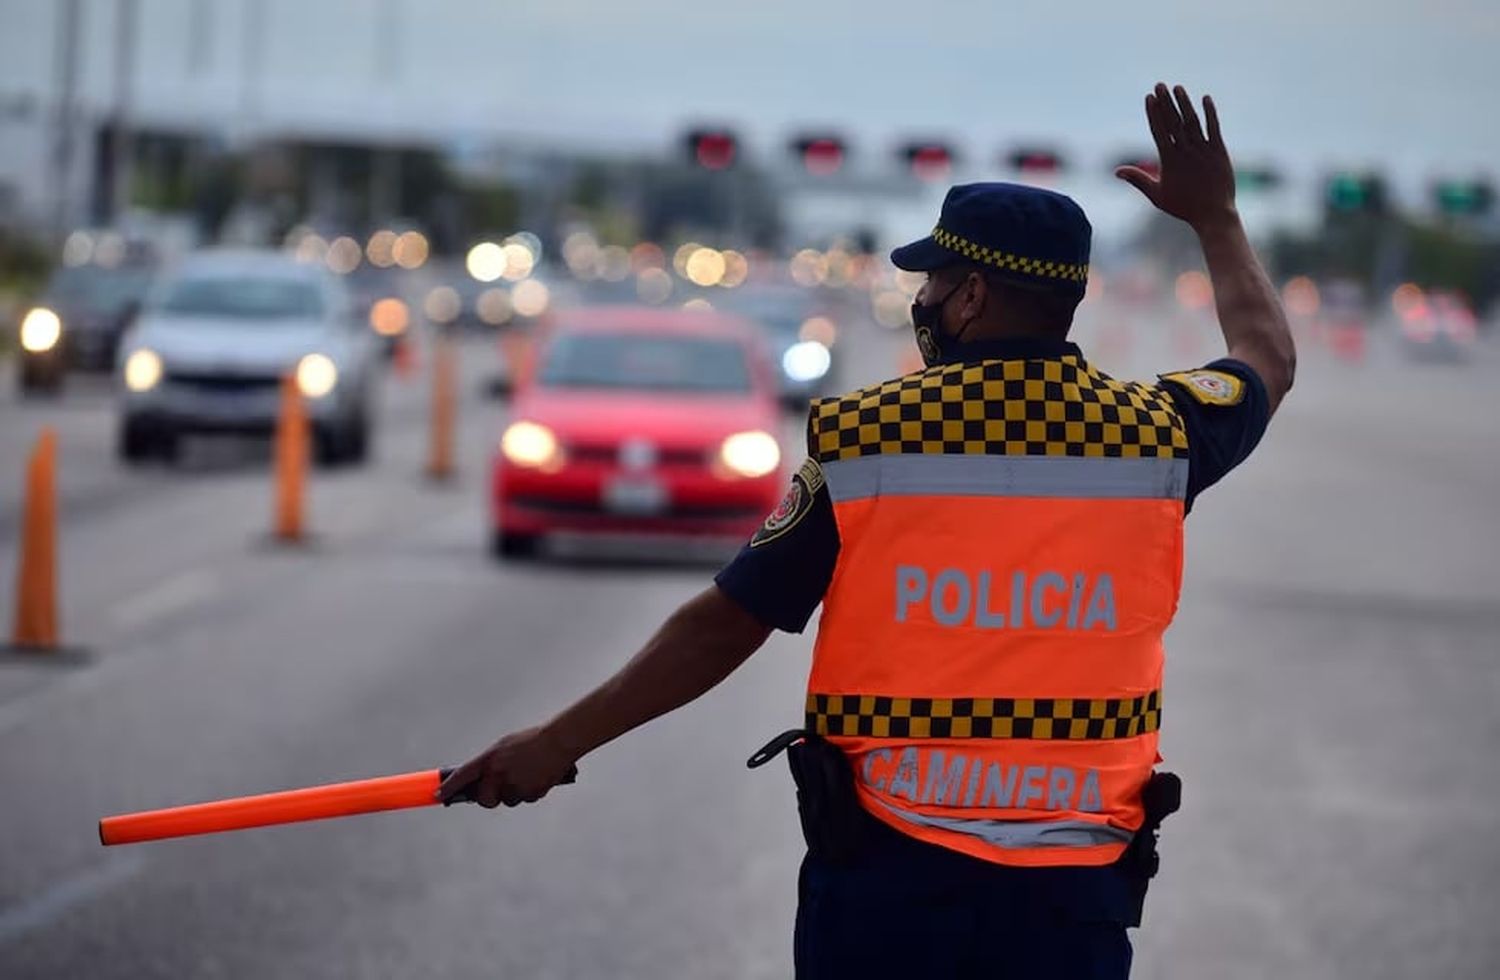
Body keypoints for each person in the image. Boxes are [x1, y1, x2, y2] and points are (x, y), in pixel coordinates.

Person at [439, 83, 1296, 978]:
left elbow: (726, 623)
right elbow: (1268, 357)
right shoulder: (1156, 436)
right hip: (1071, 900)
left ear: (968, 297)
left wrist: (554, 745)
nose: (921, 302)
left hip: (892, 886)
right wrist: (1219, 220)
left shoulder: (869, 438)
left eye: (930, 282)